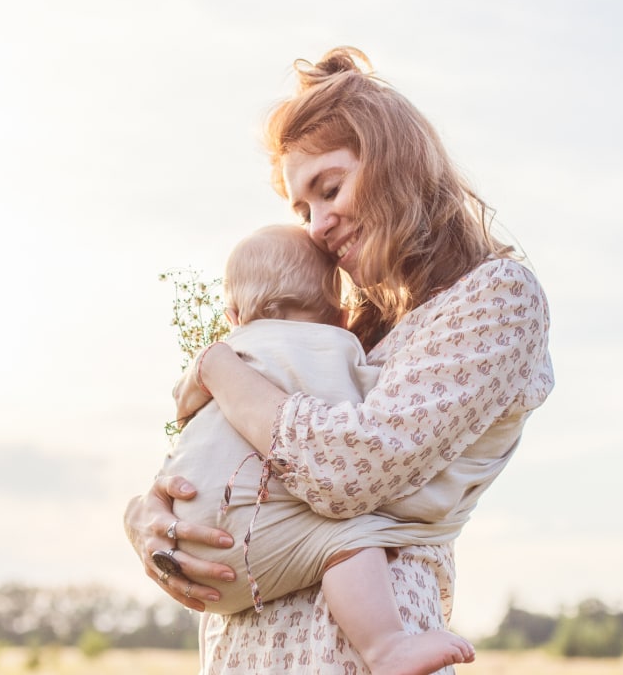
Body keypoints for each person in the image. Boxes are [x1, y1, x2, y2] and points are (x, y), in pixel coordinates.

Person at [124, 46, 555, 675]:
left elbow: (352, 468)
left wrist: (218, 366)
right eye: (303, 209)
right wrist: (148, 517)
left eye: (329, 190)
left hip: (347, 652)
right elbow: (226, 452)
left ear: (395, 163)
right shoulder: (345, 333)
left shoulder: (496, 297)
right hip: (247, 648)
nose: (318, 224)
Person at [157, 223, 475, 674]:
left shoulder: (228, 354)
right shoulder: (329, 347)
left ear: (232, 315)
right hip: (247, 547)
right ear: (341, 315)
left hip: (189, 551)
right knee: (349, 536)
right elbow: (355, 438)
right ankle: (387, 647)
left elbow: (186, 417)